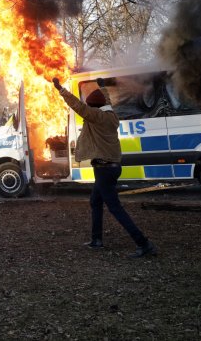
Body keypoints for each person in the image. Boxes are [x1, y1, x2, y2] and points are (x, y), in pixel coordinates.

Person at [53, 77, 156, 258]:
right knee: (95, 201)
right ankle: (97, 240)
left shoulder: (97, 117)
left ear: (94, 108)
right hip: (112, 166)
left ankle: (143, 243)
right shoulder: (110, 115)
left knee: (115, 208)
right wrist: (102, 87)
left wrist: (61, 89)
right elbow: (106, 100)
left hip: (104, 169)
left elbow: (78, 106)